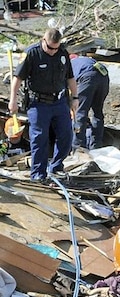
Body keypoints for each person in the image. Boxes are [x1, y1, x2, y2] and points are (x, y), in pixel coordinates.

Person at [8, 28, 77, 182]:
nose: (53, 51)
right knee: (39, 139)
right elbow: (17, 78)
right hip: (38, 104)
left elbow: (70, 78)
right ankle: (38, 174)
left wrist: (76, 97)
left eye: (56, 48)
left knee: (66, 135)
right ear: (43, 40)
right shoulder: (32, 53)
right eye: (50, 48)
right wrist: (13, 100)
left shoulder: (62, 53)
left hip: (60, 102)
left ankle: (56, 167)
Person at [70, 54, 110, 150]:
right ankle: (96, 146)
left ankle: (78, 148)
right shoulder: (85, 60)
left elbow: (67, 88)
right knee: (98, 112)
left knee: (79, 113)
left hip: (87, 76)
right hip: (103, 74)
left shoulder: (68, 64)